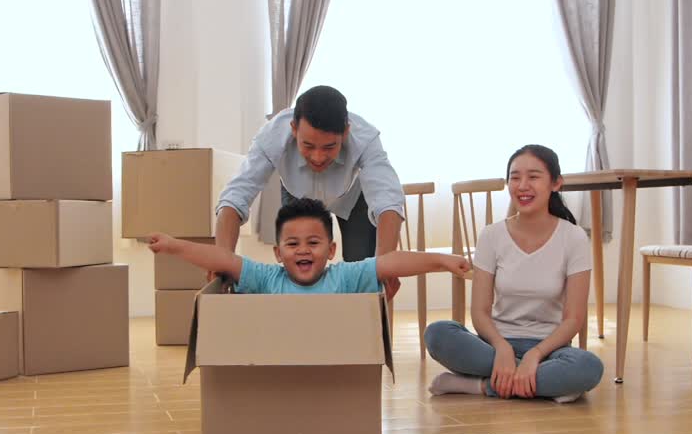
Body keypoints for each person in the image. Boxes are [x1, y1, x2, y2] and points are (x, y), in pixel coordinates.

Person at [424, 144, 604, 403]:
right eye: (515, 177)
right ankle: (543, 383)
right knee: (438, 333)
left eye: (533, 177)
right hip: (494, 346)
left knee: (588, 367)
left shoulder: (573, 237)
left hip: (549, 349)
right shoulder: (491, 235)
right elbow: (480, 312)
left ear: (556, 183)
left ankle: (480, 385)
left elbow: (573, 319)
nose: (522, 186)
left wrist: (535, 355)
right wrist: (502, 348)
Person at [214, 85, 406, 297]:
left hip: (352, 197)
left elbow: (388, 200)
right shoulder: (272, 136)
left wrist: (387, 265)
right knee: (297, 271)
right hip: (297, 194)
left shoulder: (365, 138)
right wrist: (223, 261)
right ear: (294, 129)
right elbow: (235, 196)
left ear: (346, 132)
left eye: (329, 147)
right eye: (308, 145)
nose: (318, 157)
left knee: (365, 276)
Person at [149, 197, 469, 294]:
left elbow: (391, 263)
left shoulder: (343, 277)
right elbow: (222, 259)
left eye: (313, 242)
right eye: (292, 243)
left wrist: (442, 262)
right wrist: (174, 246)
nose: (303, 250)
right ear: (278, 253)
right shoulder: (267, 279)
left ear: (331, 250)